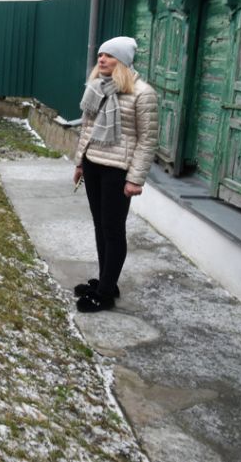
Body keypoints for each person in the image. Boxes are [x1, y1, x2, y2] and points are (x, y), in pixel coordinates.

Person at [71, 36, 158, 313]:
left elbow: (147, 140)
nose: (102, 59)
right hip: (94, 164)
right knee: (100, 226)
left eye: (109, 55)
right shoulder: (96, 88)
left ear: (122, 61)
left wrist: (136, 179)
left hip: (118, 172)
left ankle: (106, 293)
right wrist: (80, 163)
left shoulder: (143, 94)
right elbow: (87, 129)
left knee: (113, 229)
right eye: (100, 55)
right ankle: (105, 281)